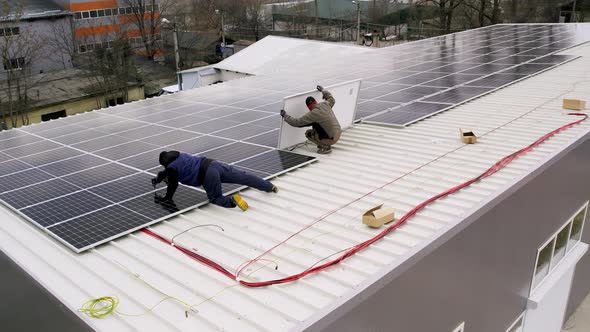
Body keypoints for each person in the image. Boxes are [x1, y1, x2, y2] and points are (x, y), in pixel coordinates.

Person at [151, 151, 278, 211]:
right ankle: (269, 186)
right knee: (243, 177)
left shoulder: (171, 168)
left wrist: (166, 199)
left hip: (207, 175)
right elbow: (164, 173)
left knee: (215, 198)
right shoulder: (180, 155)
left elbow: (173, 185)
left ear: (164, 163)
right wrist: (158, 179)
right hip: (213, 164)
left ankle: (232, 200)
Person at [280, 85, 342, 154]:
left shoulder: (313, 114)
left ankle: (325, 147)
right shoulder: (325, 104)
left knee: (308, 133)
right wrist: (323, 90)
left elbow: (296, 122)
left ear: (308, 107)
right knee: (316, 125)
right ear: (315, 102)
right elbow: (331, 98)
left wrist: (285, 116)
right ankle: (325, 142)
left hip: (331, 139)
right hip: (339, 133)